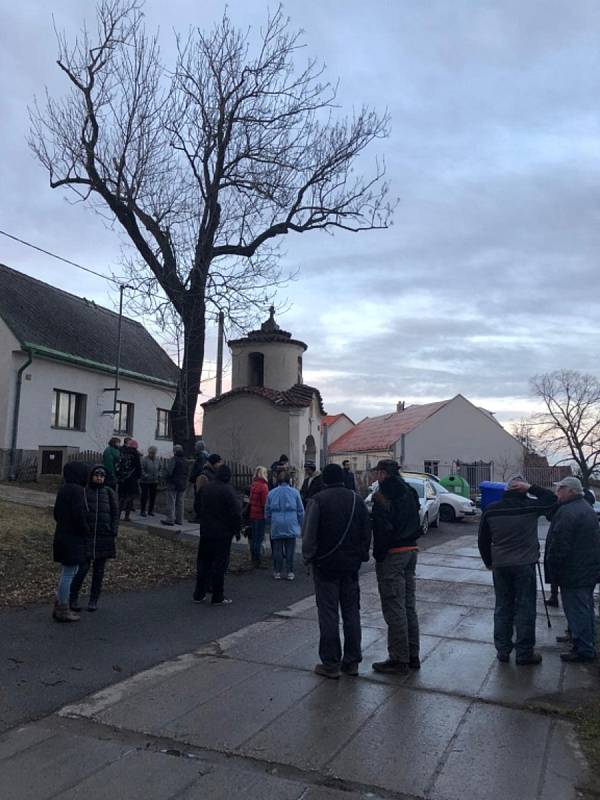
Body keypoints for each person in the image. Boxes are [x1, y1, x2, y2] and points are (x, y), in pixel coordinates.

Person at [478, 475, 556, 665]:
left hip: (501, 565)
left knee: (503, 607)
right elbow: (552, 500)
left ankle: (503, 650)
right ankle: (524, 653)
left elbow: (483, 540)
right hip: (524, 565)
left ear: (506, 491)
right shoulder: (529, 507)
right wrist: (531, 487)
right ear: (522, 490)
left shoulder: (491, 510)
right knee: (525, 608)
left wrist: (489, 561)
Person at [302, 463, 371, 678]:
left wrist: (309, 557)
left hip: (325, 565)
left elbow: (309, 533)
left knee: (329, 614)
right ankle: (351, 662)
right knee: (352, 613)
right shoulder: (356, 500)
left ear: (325, 480)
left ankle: (331, 663)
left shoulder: (319, 500)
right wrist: (361, 555)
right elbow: (366, 531)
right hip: (350, 566)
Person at [371, 459, 422, 674]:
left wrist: (379, 555)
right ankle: (412, 656)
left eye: (378, 473)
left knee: (394, 608)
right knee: (408, 605)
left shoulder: (384, 494)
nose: (376, 477)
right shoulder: (409, 491)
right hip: (411, 551)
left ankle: (398, 659)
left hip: (393, 554)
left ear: (383, 474)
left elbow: (381, 529)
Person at [544, 476, 600, 663]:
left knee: (577, 610)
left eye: (560, 489)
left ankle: (583, 649)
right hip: (586, 569)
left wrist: (553, 566)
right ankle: (585, 643)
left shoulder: (569, 512)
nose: (557, 492)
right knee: (585, 609)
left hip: (574, 571)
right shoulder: (585, 507)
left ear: (570, 491)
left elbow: (560, 544)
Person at [69, 465, 119, 612]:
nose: (99, 478)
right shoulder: (85, 491)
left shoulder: (109, 492)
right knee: (82, 569)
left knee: (99, 572)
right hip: (87, 536)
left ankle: (93, 599)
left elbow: (115, 513)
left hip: (104, 537)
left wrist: (113, 530)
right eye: (96, 475)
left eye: (102, 476)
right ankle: (73, 598)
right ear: (91, 476)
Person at [193, 464, 242, 605]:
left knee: (203, 564)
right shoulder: (228, 491)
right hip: (223, 534)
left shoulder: (206, 488)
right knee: (219, 565)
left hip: (206, 531)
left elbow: (197, 506)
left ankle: (198, 594)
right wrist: (237, 530)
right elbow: (235, 513)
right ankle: (217, 595)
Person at [52, 462, 90, 622]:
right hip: (73, 537)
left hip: (62, 534)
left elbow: (56, 513)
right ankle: (62, 608)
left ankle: (60, 602)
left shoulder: (64, 489)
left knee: (67, 572)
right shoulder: (78, 491)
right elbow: (79, 515)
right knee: (69, 573)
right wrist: (86, 530)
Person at [265, 469, 304, 580]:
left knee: (277, 549)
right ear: (289, 480)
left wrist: (269, 521)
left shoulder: (271, 493)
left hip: (277, 523)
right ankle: (290, 572)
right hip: (291, 523)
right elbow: (300, 510)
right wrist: (302, 523)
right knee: (290, 549)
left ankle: (277, 571)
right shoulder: (295, 492)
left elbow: (267, 510)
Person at [161, 444, 189, 526]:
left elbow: (169, 471)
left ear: (175, 451)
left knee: (171, 502)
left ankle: (170, 519)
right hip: (182, 484)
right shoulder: (185, 460)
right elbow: (187, 473)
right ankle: (179, 519)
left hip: (173, 483)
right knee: (180, 502)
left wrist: (165, 478)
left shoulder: (173, 460)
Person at [248, 466, 269, 568]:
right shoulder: (263, 486)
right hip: (260, 515)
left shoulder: (253, 485)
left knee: (253, 538)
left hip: (253, 514)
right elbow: (265, 503)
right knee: (259, 538)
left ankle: (253, 559)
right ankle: (257, 561)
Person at [193, 453, 223, 519]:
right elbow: (200, 495)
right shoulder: (204, 475)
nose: (221, 464)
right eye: (219, 462)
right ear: (214, 463)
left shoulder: (216, 474)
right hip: (206, 511)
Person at [118, 439, 141, 520]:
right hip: (132, 479)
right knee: (130, 497)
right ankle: (126, 516)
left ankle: (117, 514)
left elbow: (119, 464)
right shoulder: (135, 454)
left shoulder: (122, 453)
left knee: (121, 497)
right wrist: (139, 476)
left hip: (123, 478)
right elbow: (138, 467)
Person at [140, 446, 160, 517]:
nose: (153, 454)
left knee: (153, 496)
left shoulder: (157, 459)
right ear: (149, 453)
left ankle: (150, 510)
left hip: (154, 481)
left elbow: (160, 468)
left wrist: (158, 475)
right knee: (144, 496)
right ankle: (142, 510)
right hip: (145, 481)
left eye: (154, 453)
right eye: (151, 453)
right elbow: (141, 469)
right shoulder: (144, 460)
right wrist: (146, 475)